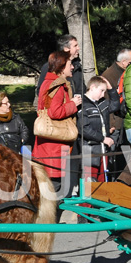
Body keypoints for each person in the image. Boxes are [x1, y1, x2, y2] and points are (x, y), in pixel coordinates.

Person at [34, 50, 82, 196]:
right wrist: (73, 104)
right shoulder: (58, 85)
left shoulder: (46, 82)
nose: (72, 67)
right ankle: (51, 219)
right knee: (54, 188)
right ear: (61, 67)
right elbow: (54, 112)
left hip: (46, 143)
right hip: (54, 145)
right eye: (69, 64)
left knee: (48, 187)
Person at [77, 76, 119, 181]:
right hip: (89, 148)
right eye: (101, 91)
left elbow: (115, 105)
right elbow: (84, 128)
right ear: (92, 87)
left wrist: (111, 89)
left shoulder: (101, 102)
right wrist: (103, 139)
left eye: (104, 91)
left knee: (102, 179)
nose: (103, 94)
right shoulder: (83, 104)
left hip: (102, 148)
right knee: (90, 180)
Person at [35, 34, 84, 103]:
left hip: (78, 111)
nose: (78, 48)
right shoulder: (50, 66)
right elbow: (41, 92)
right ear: (66, 49)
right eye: (75, 46)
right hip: (60, 111)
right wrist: (67, 104)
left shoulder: (77, 66)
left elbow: (82, 89)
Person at [100, 48, 131, 141]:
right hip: (116, 123)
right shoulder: (109, 75)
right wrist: (111, 124)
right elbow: (106, 101)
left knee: (126, 150)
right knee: (113, 149)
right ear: (123, 62)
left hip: (125, 120)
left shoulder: (126, 72)